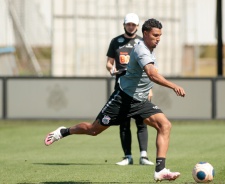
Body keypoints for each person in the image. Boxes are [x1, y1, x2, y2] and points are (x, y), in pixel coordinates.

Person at [44, 18, 185, 182]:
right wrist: (173, 86)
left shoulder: (148, 47)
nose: (158, 39)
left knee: (165, 125)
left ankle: (160, 170)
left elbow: (146, 76)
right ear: (145, 34)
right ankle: (63, 131)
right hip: (122, 100)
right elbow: (152, 74)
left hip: (140, 102)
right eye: (155, 35)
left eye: (160, 35)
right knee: (93, 130)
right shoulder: (141, 50)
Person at [106, 13, 154, 166]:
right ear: (124, 25)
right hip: (121, 86)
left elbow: (149, 67)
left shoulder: (142, 42)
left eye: (134, 24)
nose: (131, 27)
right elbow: (109, 62)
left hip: (139, 87)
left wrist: (150, 89)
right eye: (128, 24)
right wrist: (111, 69)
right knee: (123, 122)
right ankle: (127, 156)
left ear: (138, 26)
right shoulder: (116, 41)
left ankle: (144, 156)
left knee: (141, 121)